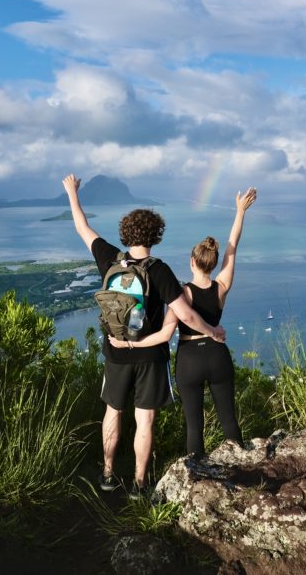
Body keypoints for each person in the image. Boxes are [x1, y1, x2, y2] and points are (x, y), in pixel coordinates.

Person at [61, 174, 226, 496]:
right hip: (150, 356)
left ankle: (107, 474)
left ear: (125, 233)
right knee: (144, 420)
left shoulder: (110, 258)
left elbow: (82, 227)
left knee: (113, 412)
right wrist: (212, 332)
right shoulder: (160, 270)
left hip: (115, 351)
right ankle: (139, 483)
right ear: (156, 235)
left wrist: (71, 192)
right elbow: (186, 313)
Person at [110, 187, 257, 457]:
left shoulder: (182, 294)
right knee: (229, 419)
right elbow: (232, 250)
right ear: (212, 263)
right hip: (217, 355)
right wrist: (240, 212)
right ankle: (242, 467)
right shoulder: (221, 287)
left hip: (189, 359)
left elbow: (165, 334)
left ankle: (198, 478)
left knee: (194, 426)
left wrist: (128, 343)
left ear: (192, 262)